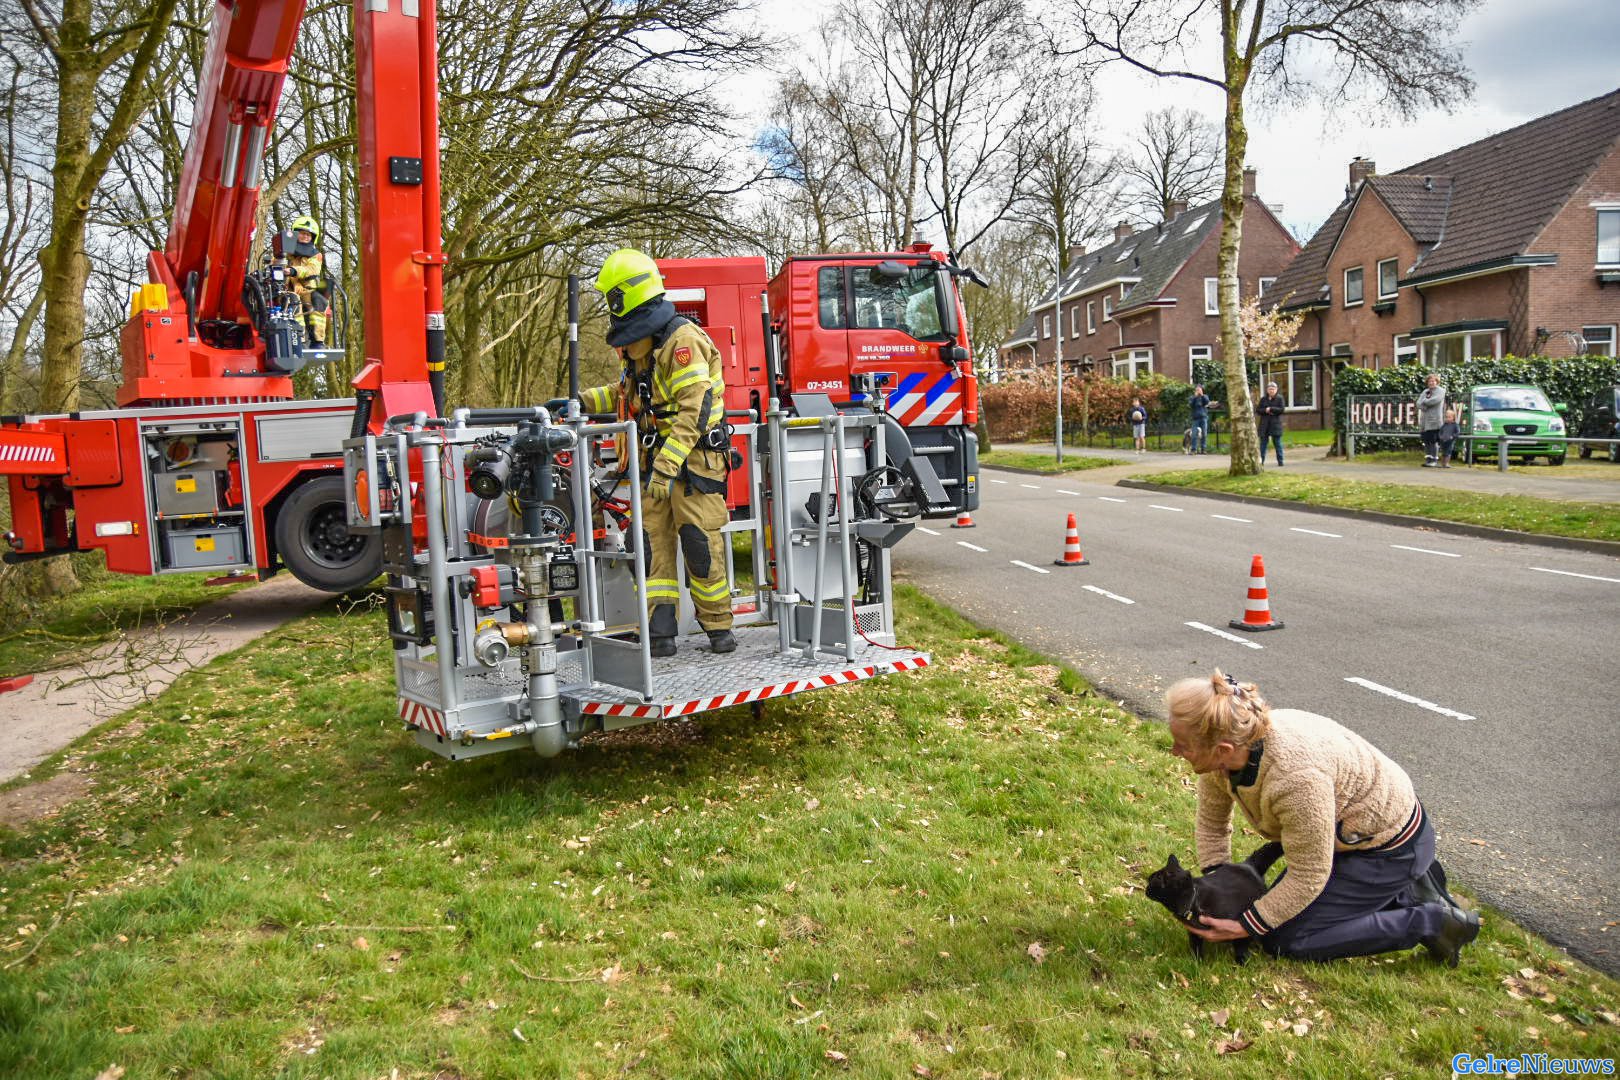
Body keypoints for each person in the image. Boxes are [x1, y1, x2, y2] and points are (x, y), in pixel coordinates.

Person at [1165, 670, 1480, 965]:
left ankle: (1432, 921)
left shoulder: (1296, 778)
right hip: (1344, 839)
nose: (1174, 750)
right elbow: (1212, 826)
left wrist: (1244, 925)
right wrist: (1220, 888)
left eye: (1183, 745)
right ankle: (1404, 890)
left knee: (1285, 938)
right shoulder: (1231, 750)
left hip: (1391, 847)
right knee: (1269, 911)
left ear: (1222, 749)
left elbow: (1309, 874)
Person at [581, 248, 735, 658]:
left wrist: (666, 467)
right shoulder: (643, 343)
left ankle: (718, 627)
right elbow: (625, 395)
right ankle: (660, 632)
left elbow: (695, 410)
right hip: (655, 464)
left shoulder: (683, 341)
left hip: (694, 462)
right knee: (652, 547)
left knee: (699, 544)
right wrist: (580, 402)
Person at [286, 214, 331, 348]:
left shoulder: (316, 255)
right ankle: (299, 340)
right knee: (294, 300)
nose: (305, 236)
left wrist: (294, 271)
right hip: (287, 289)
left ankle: (318, 341)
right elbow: (277, 265)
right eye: (302, 233)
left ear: (312, 238)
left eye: (308, 235)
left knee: (319, 300)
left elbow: (312, 269)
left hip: (308, 289)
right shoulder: (285, 251)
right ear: (295, 234)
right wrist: (294, 281)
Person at [1418, 373, 1446, 466]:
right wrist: (1424, 405)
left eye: (1433, 381)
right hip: (1424, 421)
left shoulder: (1441, 391)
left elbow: (1434, 401)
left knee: (1433, 441)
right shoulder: (1425, 391)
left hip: (1435, 421)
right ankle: (1428, 460)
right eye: (1430, 381)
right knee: (1427, 441)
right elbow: (1418, 403)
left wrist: (1424, 402)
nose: (1431, 383)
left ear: (1437, 382)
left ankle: (1434, 460)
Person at [1256, 382, 1286, 466]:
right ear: (1267, 390)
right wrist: (1265, 410)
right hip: (1264, 424)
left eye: (1273, 389)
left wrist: (1271, 409)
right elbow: (1258, 410)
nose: (1271, 391)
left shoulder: (1279, 398)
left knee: (1277, 443)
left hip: (1275, 424)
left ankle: (1280, 461)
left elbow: (1281, 409)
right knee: (1263, 444)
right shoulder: (1263, 399)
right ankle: (1261, 461)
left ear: (1276, 390)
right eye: (1270, 389)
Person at [1189, 384, 1220, 454]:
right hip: (1195, 418)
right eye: (1197, 390)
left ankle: (1203, 449)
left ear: (1202, 390)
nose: (1198, 391)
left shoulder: (1205, 396)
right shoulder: (1192, 397)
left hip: (1203, 418)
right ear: (1195, 390)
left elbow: (1207, 402)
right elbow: (1191, 405)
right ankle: (1193, 450)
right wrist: (1195, 397)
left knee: (1204, 434)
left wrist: (1202, 395)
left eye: (1199, 390)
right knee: (1194, 434)